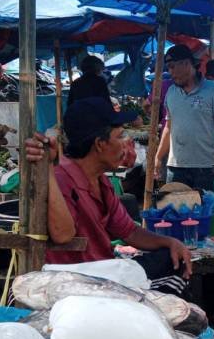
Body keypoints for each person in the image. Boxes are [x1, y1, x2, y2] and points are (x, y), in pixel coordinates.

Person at [24, 97, 192, 292]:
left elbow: (130, 232)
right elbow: (63, 235)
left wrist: (170, 242)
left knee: (171, 258)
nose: (125, 144)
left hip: (105, 271)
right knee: (169, 274)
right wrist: (47, 169)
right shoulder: (61, 178)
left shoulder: (101, 181)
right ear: (100, 144)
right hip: (77, 282)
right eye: (120, 136)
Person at [154, 45, 214, 194]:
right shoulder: (171, 92)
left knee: (205, 213)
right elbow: (168, 127)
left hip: (205, 167)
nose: (170, 72)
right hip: (175, 167)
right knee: (175, 214)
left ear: (186, 64)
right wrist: (158, 158)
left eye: (172, 67)